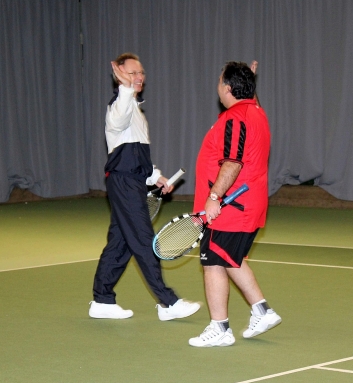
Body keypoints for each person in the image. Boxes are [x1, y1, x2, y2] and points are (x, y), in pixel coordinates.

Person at [89, 52, 200, 321]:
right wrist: (125, 89)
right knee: (142, 240)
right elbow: (116, 123)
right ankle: (168, 303)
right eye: (132, 73)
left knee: (121, 243)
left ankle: (102, 300)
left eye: (141, 73)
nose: (138, 77)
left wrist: (155, 176)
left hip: (134, 182)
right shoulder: (119, 105)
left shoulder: (136, 111)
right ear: (119, 75)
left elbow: (135, 155)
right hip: (124, 184)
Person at [189, 61, 281, 347]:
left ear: (227, 89)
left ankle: (220, 328)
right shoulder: (256, 112)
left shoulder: (235, 118)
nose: (218, 85)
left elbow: (232, 162)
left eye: (220, 81)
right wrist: (250, 82)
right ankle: (262, 310)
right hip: (247, 205)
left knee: (213, 262)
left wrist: (214, 197)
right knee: (231, 259)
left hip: (231, 206)